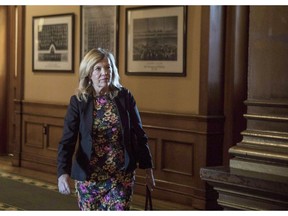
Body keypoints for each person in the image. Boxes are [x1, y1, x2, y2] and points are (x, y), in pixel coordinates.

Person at [57, 48, 155, 210]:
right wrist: (62, 173)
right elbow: (67, 141)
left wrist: (148, 167)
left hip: (120, 177)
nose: (105, 72)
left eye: (108, 67)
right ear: (89, 73)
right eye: (98, 68)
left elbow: (138, 134)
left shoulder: (124, 97)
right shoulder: (78, 102)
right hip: (89, 179)